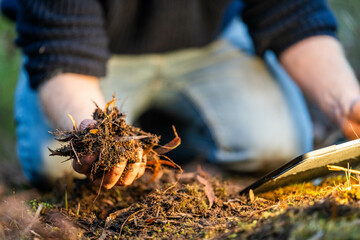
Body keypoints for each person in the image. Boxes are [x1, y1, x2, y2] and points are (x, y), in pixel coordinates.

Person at [7, 0, 360, 190]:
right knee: (58, 167)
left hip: (209, 43)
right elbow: (64, 51)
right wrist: (96, 132)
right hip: (94, 53)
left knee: (278, 145)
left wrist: (347, 100)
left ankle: (170, 130)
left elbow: (293, 13)